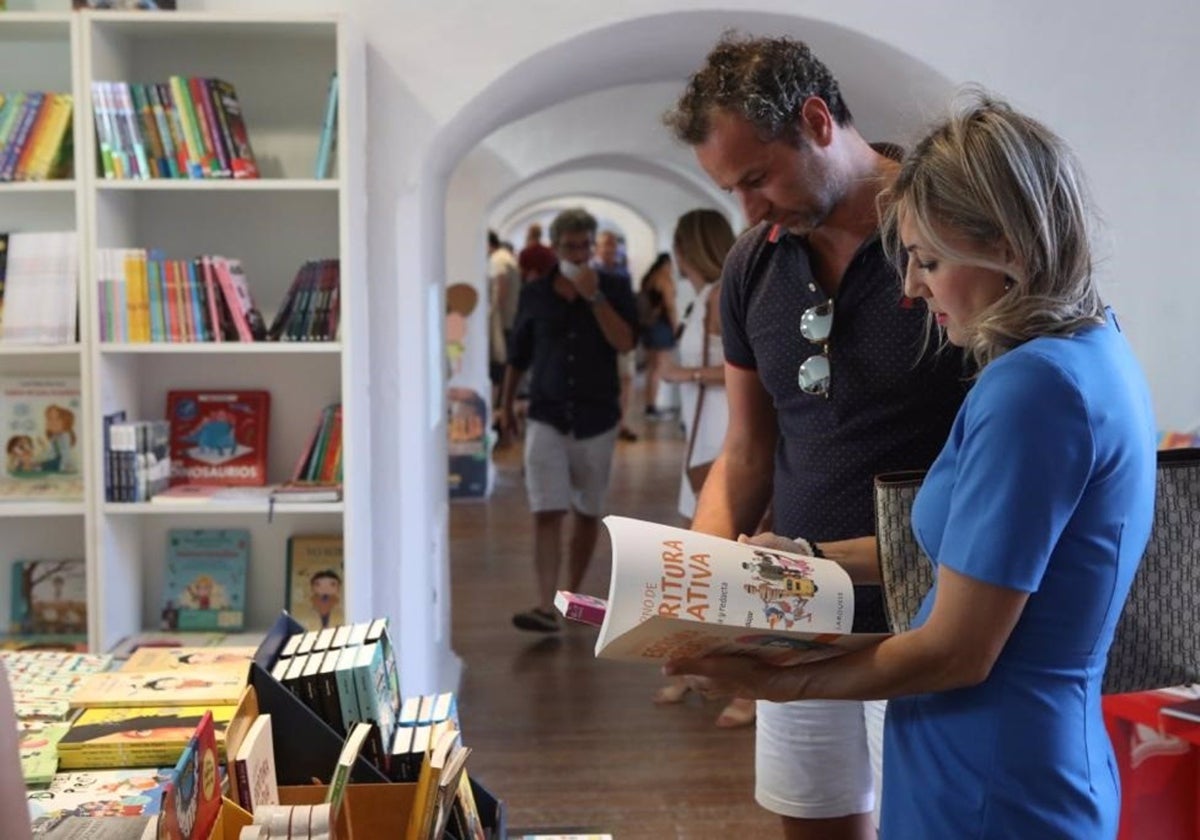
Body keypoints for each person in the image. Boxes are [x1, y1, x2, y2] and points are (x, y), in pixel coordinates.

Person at [667, 93, 1157, 839]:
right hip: (989, 757)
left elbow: (956, 649)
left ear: (1009, 249)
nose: (910, 287)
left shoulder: (1033, 388)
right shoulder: (1088, 348)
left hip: (994, 775)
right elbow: (965, 554)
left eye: (928, 260)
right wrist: (803, 560)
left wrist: (787, 680)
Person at [662, 33, 969, 839]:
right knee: (815, 825)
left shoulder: (949, 237)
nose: (750, 210)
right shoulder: (751, 266)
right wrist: (695, 585)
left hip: (936, 614)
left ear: (817, 120)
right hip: (795, 611)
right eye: (732, 190)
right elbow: (746, 454)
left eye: (758, 178)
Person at [501, 207, 638, 632]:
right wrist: (505, 404)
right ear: (555, 247)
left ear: (593, 246)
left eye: (584, 246)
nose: (577, 254)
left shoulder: (615, 287)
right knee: (546, 508)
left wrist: (595, 296)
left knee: (586, 510)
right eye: (569, 247)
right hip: (546, 412)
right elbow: (519, 355)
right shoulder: (536, 292)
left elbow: (625, 341)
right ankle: (544, 604)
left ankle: (571, 598)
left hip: (597, 415)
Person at [650, 208, 757, 729]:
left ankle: (745, 684)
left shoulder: (718, 295)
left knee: (723, 558)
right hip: (704, 429)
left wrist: (683, 372)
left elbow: (738, 367)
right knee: (701, 553)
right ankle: (697, 669)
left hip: (721, 427)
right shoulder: (701, 297)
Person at [593, 229, 639, 442]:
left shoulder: (623, 274)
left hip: (622, 333)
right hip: (598, 336)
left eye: (612, 245)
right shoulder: (592, 274)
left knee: (626, 378)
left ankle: (620, 421)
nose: (609, 249)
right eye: (605, 245)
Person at [636, 253, 678, 419]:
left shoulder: (649, 278)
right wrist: (676, 328)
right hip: (662, 327)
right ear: (667, 264)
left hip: (649, 327)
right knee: (660, 368)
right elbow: (670, 306)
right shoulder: (664, 279)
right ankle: (653, 407)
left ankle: (650, 405)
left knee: (651, 368)